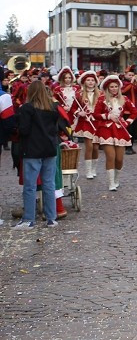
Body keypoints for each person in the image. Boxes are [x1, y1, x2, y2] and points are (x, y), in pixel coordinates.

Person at [12, 81, 68, 229]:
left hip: (32, 150)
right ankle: (51, 218)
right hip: (49, 149)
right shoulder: (52, 107)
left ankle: (29, 219)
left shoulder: (27, 108)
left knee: (30, 186)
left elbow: (24, 130)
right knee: (49, 184)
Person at [93, 75, 134, 191]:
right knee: (111, 156)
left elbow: (134, 112)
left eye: (116, 86)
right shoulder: (101, 99)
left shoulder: (124, 99)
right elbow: (95, 115)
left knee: (119, 159)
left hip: (120, 130)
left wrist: (127, 122)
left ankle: (116, 179)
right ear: (107, 88)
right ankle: (111, 183)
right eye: (112, 87)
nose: (114, 89)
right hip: (106, 129)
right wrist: (107, 116)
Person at [72, 71, 101, 179]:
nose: (90, 82)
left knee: (96, 148)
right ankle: (88, 171)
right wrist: (79, 113)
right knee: (89, 146)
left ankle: (94, 168)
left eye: (92, 80)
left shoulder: (101, 94)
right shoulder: (79, 94)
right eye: (88, 80)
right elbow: (73, 108)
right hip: (86, 122)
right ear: (84, 82)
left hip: (97, 122)